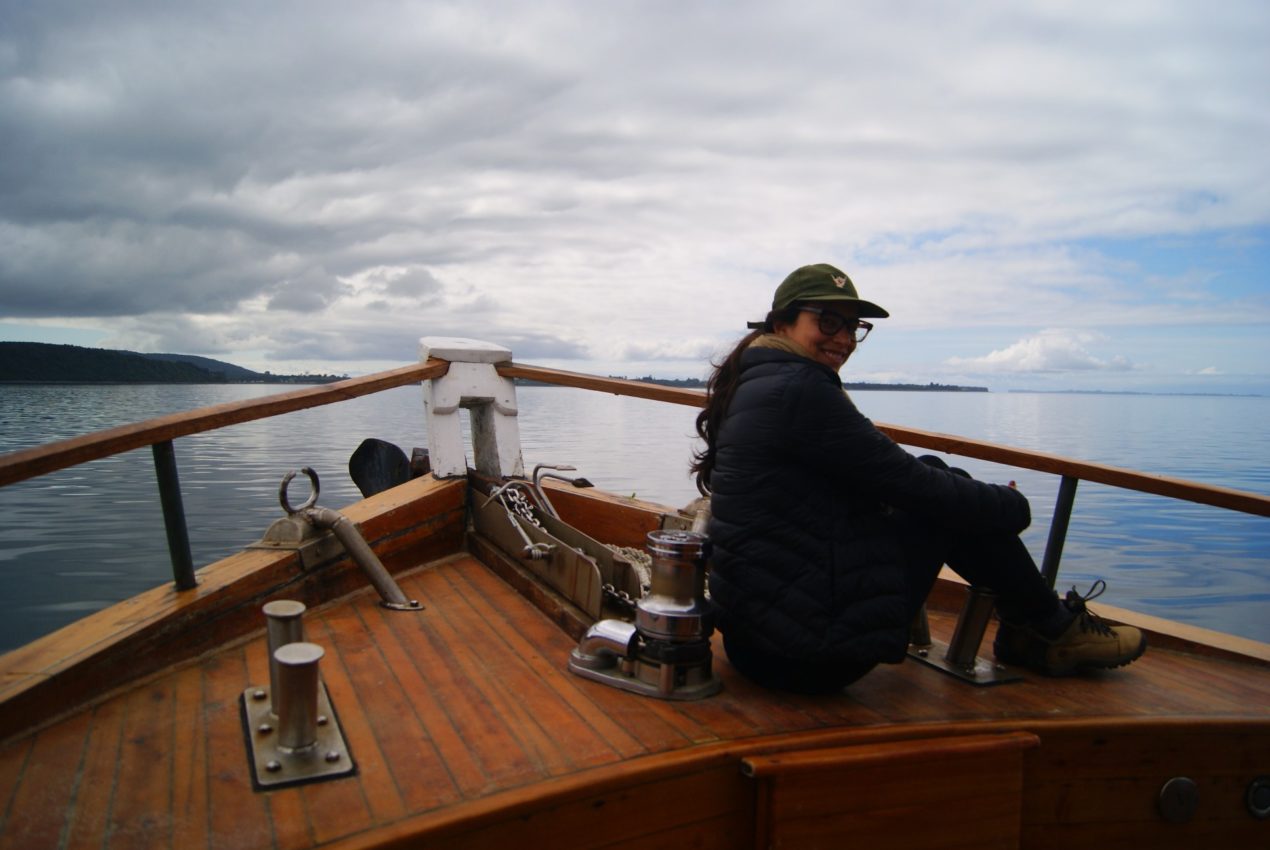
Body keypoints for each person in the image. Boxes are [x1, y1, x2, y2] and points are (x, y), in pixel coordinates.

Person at [692, 263, 1146, 694]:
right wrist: (1013, 507)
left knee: (939, 477)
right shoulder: (800, 390)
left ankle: (1037, 625)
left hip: (755, 639)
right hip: (807, 656)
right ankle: (1045, 628)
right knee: (943, 500)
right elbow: (913, 484)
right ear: (782, 324)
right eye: (828, 322)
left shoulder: (761, 380)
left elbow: (878, 476)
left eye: (853, 327)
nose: (844, 338)